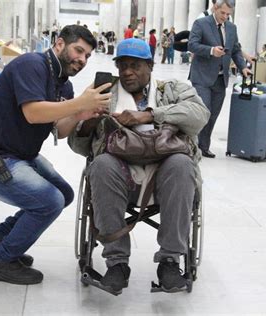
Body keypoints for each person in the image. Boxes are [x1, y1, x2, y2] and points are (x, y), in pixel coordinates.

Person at [0, 25, 112, 285]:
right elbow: (33, 113)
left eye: (87, 56)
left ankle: (0, 238)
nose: (82, 60)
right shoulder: (32, 65)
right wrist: (79, 104)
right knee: (49, 202)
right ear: (59, 44)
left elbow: (60, 130)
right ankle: (1, 260)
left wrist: (80, 113)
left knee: (64, 194)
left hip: (20, 154)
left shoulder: (63, 85)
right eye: (78, 51)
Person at [68, 38, 210, 294]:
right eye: (122, 66)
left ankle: (169, 260)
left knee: (182, 164)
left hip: (165, 173)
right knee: (100, 165)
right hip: (120, 174)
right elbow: (78, 147)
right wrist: (87, 124)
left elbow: (200, 115)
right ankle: (117, 263)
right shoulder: (104, 92)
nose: (127, 72)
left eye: (135, 66)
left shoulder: (173, 89)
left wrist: (150, 115)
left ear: (150, 66)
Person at [188, 0, 251, 158]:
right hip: (202, 76)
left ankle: (203, 146)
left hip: (221, 79)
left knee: (213, 114)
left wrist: (243, 67)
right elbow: (192, 45)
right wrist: (211, 51)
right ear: (215, 8)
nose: (225, 17)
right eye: (222, 13)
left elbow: (236, 50)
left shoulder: (231, 27)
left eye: (228, 14)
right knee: (204, 110)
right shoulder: (201, 23)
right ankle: (192, 144)